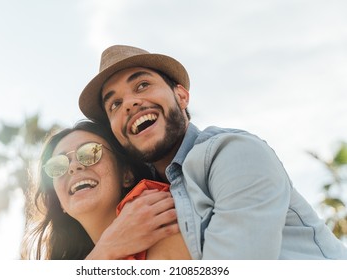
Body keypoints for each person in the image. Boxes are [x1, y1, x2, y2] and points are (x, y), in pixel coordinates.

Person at [78, 44, 347, 259]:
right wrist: (105, 250)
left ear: (181, 96)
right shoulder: (143, 199)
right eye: (114, 104)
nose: (130, 103)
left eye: (142, 85)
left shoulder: (235, 153)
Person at [21, 120, 191, 260]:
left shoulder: (160, 218)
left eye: (90, 152)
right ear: (59, 201)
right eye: (57, 165)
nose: (73, 167)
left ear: (126, 175)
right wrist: (105, 251)